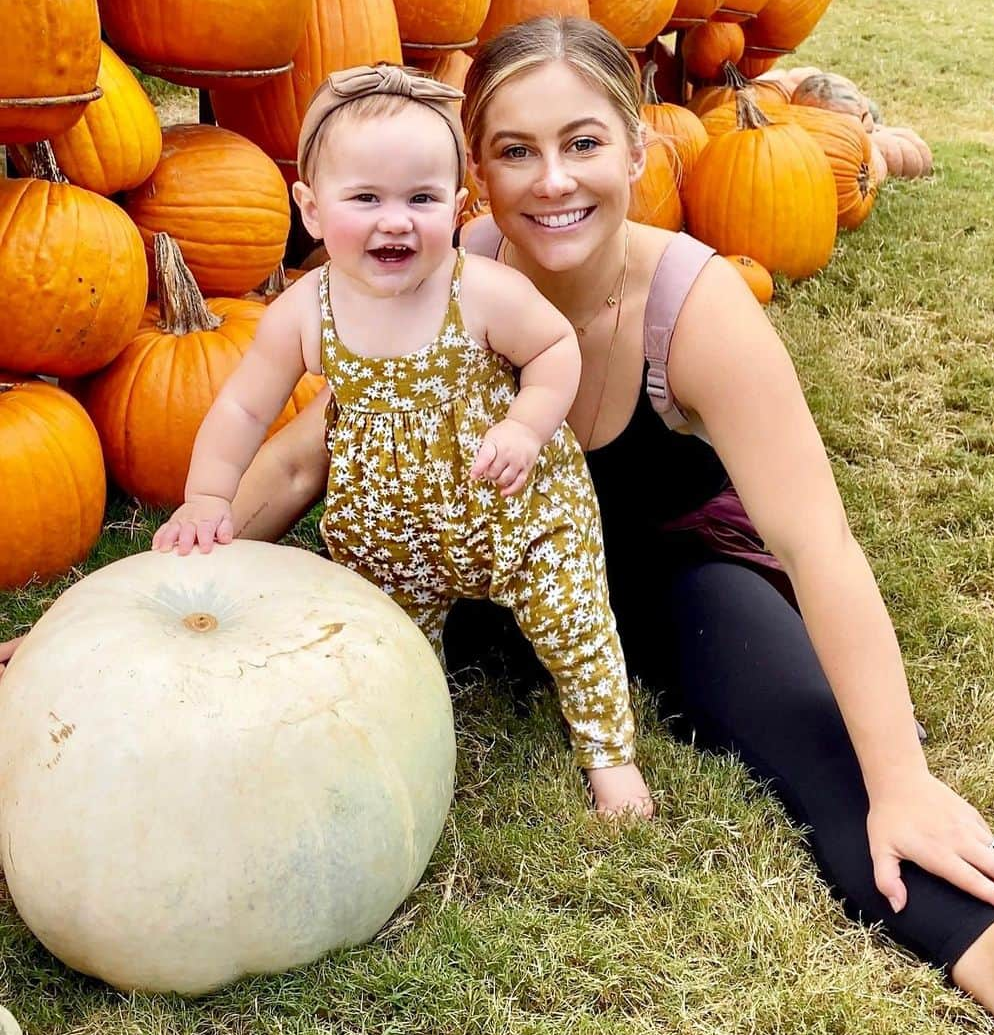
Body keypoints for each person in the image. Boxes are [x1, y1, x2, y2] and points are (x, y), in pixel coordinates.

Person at [212, 18, 994, 1035]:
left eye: (582, 142)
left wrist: (899, 779)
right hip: (484, 577)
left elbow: (818, 545)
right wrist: (161, 601)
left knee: (802, 730)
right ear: (475, 173)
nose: (552, 181)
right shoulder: (437, 277)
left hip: (673, 576)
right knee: (293, 649)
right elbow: (306, 459)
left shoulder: (695, 306)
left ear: (637, 147)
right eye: (515, 151)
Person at [151, 62, 652, 819]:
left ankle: (608, 753)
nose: (396, 221)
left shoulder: (475, 291)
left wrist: (525, 425)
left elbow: (554, 350)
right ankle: (413, 728)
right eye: (366, 199)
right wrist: (208, 497)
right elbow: (242, 411)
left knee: (572, 619)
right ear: (312, 210)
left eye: (420, 199)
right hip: (388, 526)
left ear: (455, 209)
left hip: (516, 509)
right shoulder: (303, 311)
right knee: (388, 640)